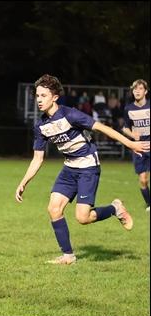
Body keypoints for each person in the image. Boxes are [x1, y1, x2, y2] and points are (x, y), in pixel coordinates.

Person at [15, 74, 150, 265]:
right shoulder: (41, 126)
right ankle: (68, 256)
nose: (39, 99)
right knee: (54, 209)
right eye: (37, 96)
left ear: (54, 97)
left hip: (88, 167)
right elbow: (38, 158)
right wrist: (23, 182)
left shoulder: (71, 114)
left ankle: (115, 208)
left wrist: (130, 143)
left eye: (43, 95)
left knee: (83, 218)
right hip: (69, 168)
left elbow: (102, 128)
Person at [122, 79, 150, 212]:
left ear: (145, 91)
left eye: (140, 89)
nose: (137, 91)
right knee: (143, 180)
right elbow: (125, 128)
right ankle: (149, 204)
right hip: (139, 148)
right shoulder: (128, 108)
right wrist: (133, 136)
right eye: (135, 89)